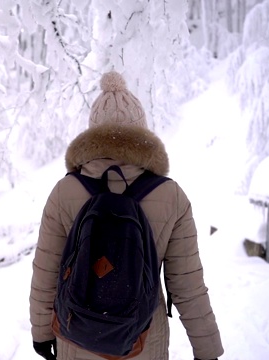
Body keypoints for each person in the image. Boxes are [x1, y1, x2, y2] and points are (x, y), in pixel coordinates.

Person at [29, 71, 224, 360]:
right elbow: (187, 284)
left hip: (78, 338)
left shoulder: (64, 191)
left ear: (92, 134)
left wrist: (42, 334)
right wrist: (207, 351)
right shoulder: (171, 196)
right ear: (142, 134)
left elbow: (46, 273)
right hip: (143, 341)